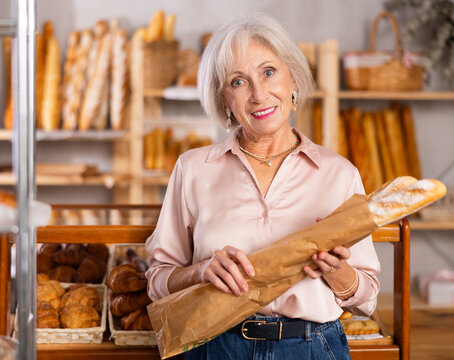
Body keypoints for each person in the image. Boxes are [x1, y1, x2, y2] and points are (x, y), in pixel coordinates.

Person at [145, 14, 380, 360]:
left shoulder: (339, 174)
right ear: (224, 99)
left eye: (268, 72)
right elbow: (156, 281)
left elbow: (369, 297)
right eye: (238, 82)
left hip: (311, 348)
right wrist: (201, 271)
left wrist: (337, 270)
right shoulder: (193, 169)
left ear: (293, 80)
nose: (258, 94)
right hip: (216, 346)